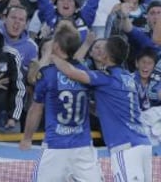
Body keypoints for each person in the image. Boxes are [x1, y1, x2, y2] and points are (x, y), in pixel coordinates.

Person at [52, 35, 152, 181]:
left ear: (106, 55)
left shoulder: (106, 78)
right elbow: (111, 107)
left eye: (102, 49)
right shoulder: (128, 77)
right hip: (143, 144)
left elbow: (71, 72)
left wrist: (53, 57)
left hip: (125, 147)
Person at [20, 24, 103, 182]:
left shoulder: (47, 74)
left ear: (56, 46)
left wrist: (27, 138)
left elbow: (36, 109)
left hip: (55, 146)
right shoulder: (86, 73)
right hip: (83, 146)